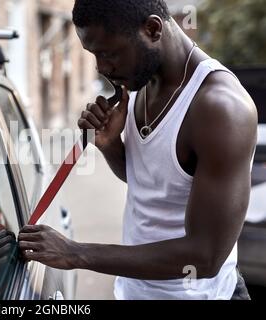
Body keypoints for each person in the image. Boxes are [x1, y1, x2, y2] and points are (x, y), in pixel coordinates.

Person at [18, 0, 258, 300]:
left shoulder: (219, 108)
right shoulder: (138, 82)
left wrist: (76, 254)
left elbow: (205, 257)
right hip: (133, 291)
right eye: (94, 55)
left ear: (153, 29)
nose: (101, 68)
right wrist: (109, 145)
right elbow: (152, 183)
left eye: (108, 54)